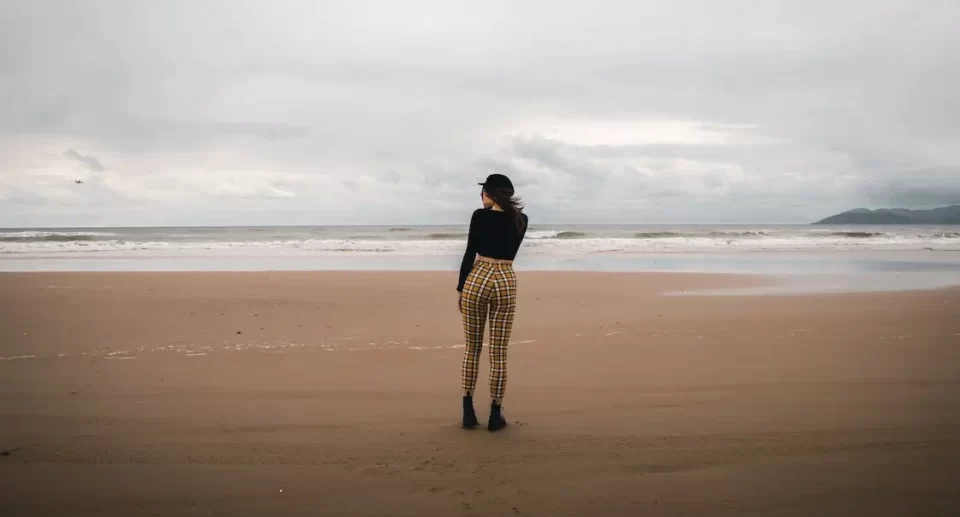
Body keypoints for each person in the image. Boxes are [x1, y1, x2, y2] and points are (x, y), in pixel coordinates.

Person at [456, 173, 528, 432]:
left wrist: (461, 289)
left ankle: (468, 410)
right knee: (499, 352)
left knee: (472, 348)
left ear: (489, 193)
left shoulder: (479, 216)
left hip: (478, 276)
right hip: (506, 279)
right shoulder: (521, 219)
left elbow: (469, 252)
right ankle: (495, 415)